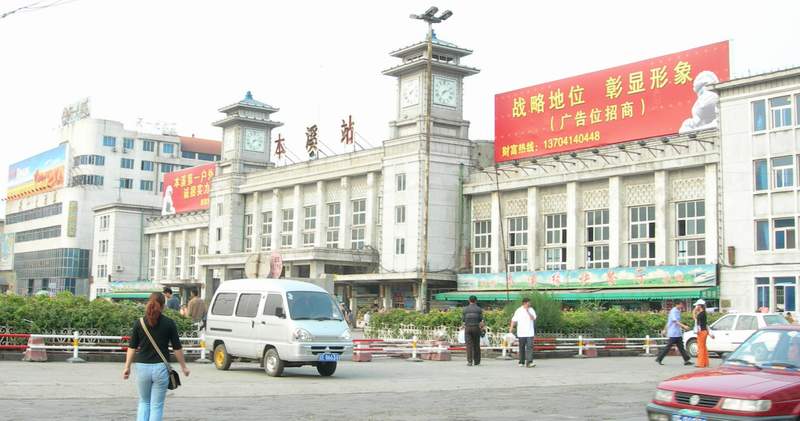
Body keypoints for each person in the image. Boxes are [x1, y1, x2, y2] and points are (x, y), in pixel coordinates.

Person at [123, 292, 190, 421]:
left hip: (142, 367)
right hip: (161, 368)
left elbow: (132, 347)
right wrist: (184, 367)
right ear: (163, 306)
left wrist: (127, 367)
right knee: (156, 405)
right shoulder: (169, 323)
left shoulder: (139, 323)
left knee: (144, 402)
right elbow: (177, 348)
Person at [510, 297, 537, 368]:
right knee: (521, 347)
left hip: (530, 333)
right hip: (521, 332)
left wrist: (528, 312)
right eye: (529, 302)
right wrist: (511, 329)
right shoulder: (519, 310)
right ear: (524, 303)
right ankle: (521, 361)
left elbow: (533, 318)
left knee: (530, 347)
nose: (530, 304)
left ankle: (529, 362)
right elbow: (513, 320)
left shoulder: (531, 310)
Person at [462, 295, 484, 367]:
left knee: (469, 345)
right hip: (476, 327)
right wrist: (482, 329)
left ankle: (469, 362)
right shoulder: (479, 309)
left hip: (468, 328)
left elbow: (463, 320)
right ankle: (477, 361)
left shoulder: (465, 309)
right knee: (476, 344)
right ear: (476, 301)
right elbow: (481, 321)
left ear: (469, 300)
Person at [693, 299, 714, 368]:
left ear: (700, 306)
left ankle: (701, 363)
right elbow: (705, 324)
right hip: (704, 331)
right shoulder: (703, 313)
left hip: (701, 332)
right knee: (703, 347)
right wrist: (709, 333)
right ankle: (705, 362)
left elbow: (695, 319)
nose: (696, 307)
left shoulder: (701, 314)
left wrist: (694, 312)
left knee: (701, 347)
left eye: (697, 305)